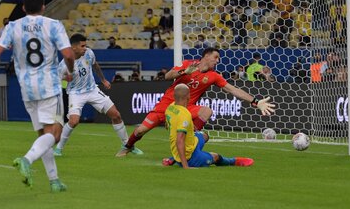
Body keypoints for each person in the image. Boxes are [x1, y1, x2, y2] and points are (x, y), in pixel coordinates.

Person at [0, 0, 75, 193]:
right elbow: (68, 54)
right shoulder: (53, 25)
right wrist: (69, 71)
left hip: (26, 87)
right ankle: (26, 159)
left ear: (23, 7)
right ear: (44, 6)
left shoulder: (13, 26)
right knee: (55, 134)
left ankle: (54, 181)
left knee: (43, 135)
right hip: (49, 86)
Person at [116, 47, 275, 157]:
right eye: (216, 57)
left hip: (186, 108)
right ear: (206, 56)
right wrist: (185, 72)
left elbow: (233, 89)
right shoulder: (188, 64)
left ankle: (190, 140)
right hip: (165, 105)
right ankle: (128, 146)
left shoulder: (214, 75)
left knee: (206, 111)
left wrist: (255, 101)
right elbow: (167, 76)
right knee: (140, 131)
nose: (217, 61)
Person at [53, 34, 142, 156]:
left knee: (116, 115)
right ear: (73, 48)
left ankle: (127, 145)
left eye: (85, 45)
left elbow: (95, 65)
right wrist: (64, 80)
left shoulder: (89, 53)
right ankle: (58, 149)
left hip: (92, 90)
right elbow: (56, 81)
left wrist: (103, 80)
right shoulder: (64, 65)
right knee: (74, 122)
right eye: (82, 46)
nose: (85, 48)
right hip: (76, 93)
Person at [164, 84, 254, 168]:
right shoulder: (184, 115)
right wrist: (185, 166)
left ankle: (173, 158)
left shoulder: (170, 107)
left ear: (174, 96)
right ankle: (233, 161)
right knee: (216, 157)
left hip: (191, 142)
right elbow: (179, 141)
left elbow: (167, 122)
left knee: (204, 136)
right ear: (188, 96)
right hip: (190, 157)